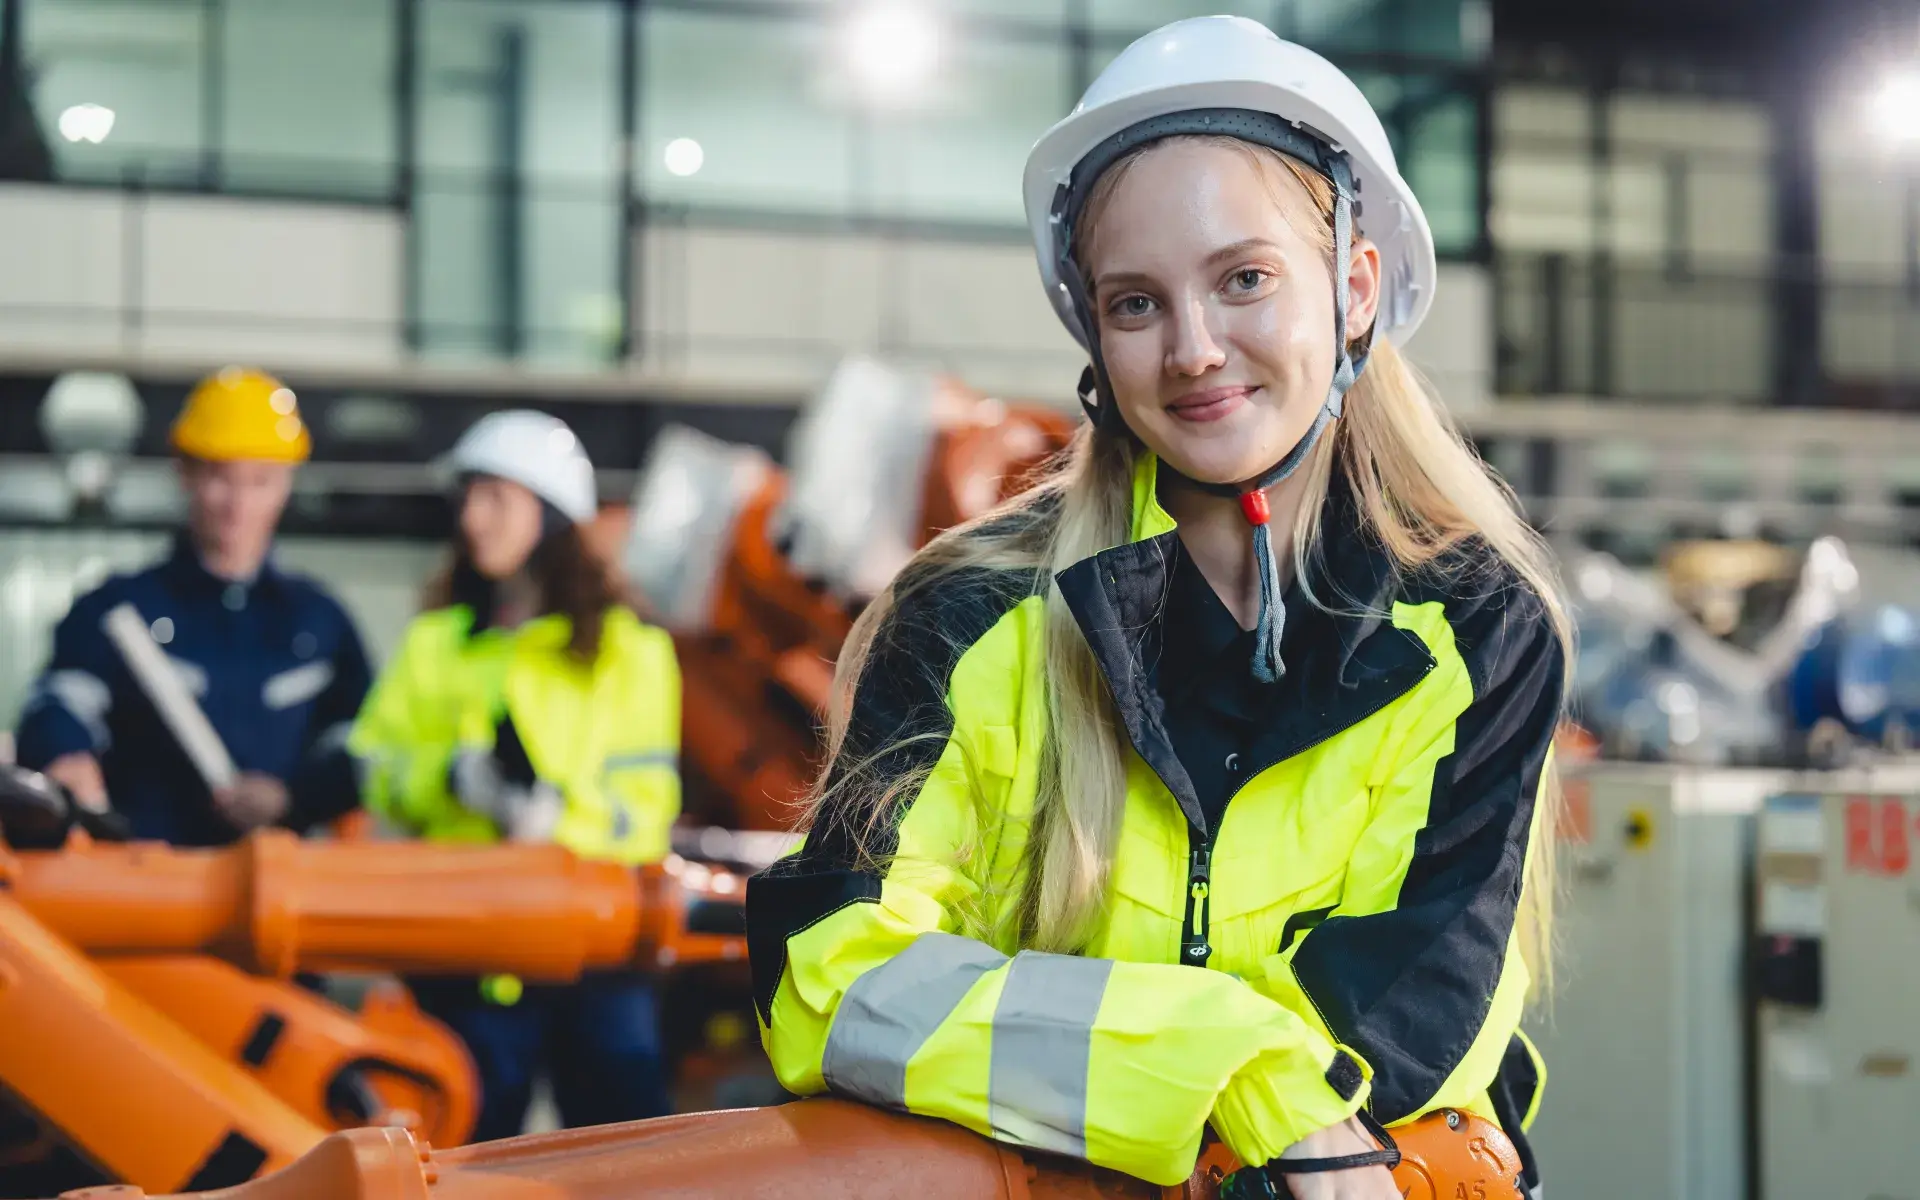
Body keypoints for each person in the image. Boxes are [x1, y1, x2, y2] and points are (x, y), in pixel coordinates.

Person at [747, 18, 1566, 1200]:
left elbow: (1416, 1020)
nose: (1192, 351)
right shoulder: (971, 615)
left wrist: (1067, 1050)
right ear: (1092, 332)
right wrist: (1218, 1065)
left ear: (1354, 288)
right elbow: (830, 977)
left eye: (1244, 278)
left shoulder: (1478, 627)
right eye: (1136, 304)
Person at [349, 409, 682, 1138]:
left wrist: (553, 820)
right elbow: (374, 767)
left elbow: (648, 806)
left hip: (594, 948)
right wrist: (448, 780)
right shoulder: (435, 642)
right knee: (456, 1159)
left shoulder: (630, 652)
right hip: (462, 946)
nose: (473, 517)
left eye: (496, 497)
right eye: (468, 496)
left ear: (553, 514)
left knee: (624, 1161)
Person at [15, 367, 371, 845]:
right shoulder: (117, 610)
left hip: (281, 896)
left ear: (286, 486)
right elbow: (61, 701)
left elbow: (366, 741)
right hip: (144, 893)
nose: (238, 505)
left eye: (260, 482)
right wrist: (66, 755)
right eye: (221, 478)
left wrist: (293, 798)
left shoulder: (320, 622)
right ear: (185, 473)